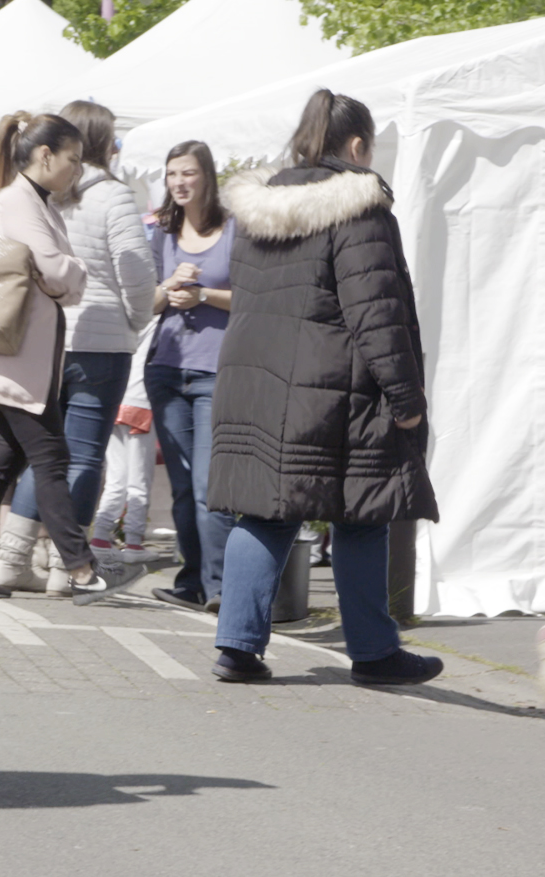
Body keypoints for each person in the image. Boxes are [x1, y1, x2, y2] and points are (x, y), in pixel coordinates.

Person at [208, 89, 443, 685]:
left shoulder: (260, 211)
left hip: (255, 382)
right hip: (334, 389)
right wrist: (407, 401)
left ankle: (236, 646)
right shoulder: (359, 208)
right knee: (362, 515)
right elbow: (378, 313)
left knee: (264, 512)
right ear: (358, 145)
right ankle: (372, 651)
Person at [0, 111, 143, 606]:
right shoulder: (20, 201)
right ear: (44, 155)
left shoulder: (23, 197)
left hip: (13, 357)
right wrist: (75, 272)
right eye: (72, 159)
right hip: (16, 359)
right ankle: (81, 570)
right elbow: (56, 273)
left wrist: (61, 275)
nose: (77, 169)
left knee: (2, 462)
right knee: (52, 460)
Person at [0, 101, 156, 596]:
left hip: (44, 338)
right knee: (80, 455)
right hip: (100, 338)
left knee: (37, 454)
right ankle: (67, 568)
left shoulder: (44, 195)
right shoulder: (113, 197)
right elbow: (136, 270)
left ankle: (14, 556)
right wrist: (137, 320)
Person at [144, 140, 235, 613]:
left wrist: (204, 296)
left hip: (215, 371)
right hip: (166, 369)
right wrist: (169, 287)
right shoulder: (159, 233)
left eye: (188, 173)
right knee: (181, 489)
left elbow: (252, 297)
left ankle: (222, 587)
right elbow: (144, 305)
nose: (179, 182)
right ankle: (192, 581)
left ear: (207, 177)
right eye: (172, 174)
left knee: (207, 487)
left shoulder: (234, 229)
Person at [91, 323, 161, 565]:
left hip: (115, 398)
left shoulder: (125, 319)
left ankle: (100, 538)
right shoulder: (159, 320)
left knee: (116, 477)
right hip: (143, 401)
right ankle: (133, 542)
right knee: (140, 480)